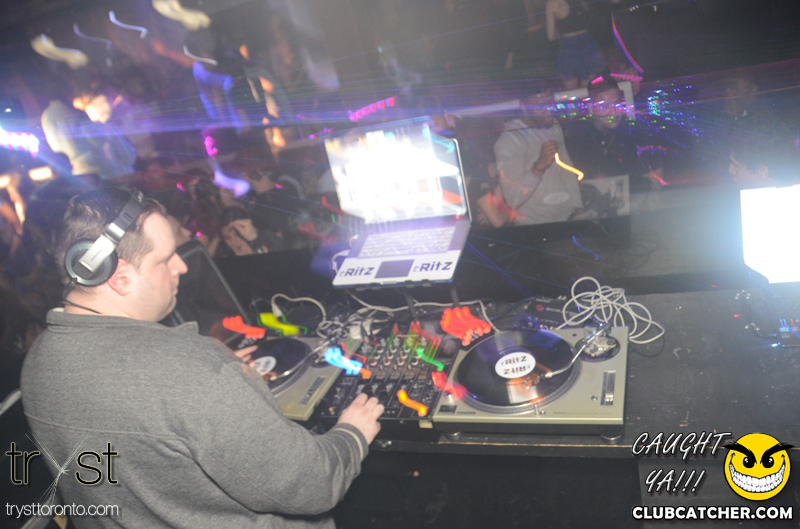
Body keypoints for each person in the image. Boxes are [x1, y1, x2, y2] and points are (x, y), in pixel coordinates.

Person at [20, 187, 384, 528]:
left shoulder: (38, 360)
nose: (181, 266)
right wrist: (352, 433)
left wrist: (215, 382)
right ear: (119, 278)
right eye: (166, 259)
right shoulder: (195, 373)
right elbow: (314, 484)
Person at [494, 88, 584, 225]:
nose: (549, 110)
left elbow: (567, 171)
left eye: (551, 103)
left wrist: (578, 208)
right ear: (524, 107)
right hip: (535, 226)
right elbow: (513, 199)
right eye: (541, 106)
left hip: (567, 217)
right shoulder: (510, 140)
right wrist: (539, 167)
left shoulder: (553, 126)